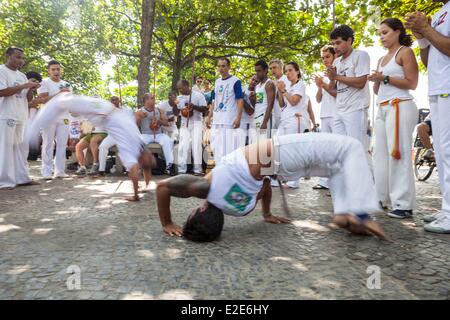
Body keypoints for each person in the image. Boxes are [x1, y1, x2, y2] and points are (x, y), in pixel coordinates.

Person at [156, 133, 388, 242]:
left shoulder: (240, 209)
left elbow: (264, 185)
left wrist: (265, 213)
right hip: (277, 153)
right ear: (202, 210)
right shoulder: (204, 187)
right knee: (351, 147)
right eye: (194, 211)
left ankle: (344, 213)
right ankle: (359, 214)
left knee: (337, 167)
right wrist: (167, 222)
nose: (196, 207)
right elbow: (163, 187)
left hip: (281, 169)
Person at [29, 93, 155, 201]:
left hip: (102, 113)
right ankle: (33, 129)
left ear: (141, 160)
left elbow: (135, 170)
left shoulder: (131, 151)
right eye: (151, 157)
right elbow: (146, 168)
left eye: (148, 159)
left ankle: (32, 130)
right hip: (104, 110)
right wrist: (144, 187)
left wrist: (136, 195)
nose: (150, 156)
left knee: (64, 102)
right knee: (63, 101)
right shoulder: (141, 146)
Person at [406, 0, 450, 233]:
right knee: (442, 152)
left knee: (449, 150)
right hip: (437, 88)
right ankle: (447, 209)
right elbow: (428, 60)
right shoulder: (441, 12)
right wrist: (422, 36)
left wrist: (428, 28)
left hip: (448, 88)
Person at [368, 18, 419, 219]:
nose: (381, 37)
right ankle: (381, 198)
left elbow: (412, 82)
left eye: (385, 32)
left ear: (397, 32)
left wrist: (385, 78)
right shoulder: (381, 59)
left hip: (401, 105)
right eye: (380, 33)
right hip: (382, 108)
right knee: (379, 154)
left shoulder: (405, 52)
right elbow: (379, 89)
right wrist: (376, 81)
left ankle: (403, 203)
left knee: (398, 153)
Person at [0, 47, 40, 189]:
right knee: (5, 148)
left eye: (22, 58)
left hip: (21, 115)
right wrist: (24, 85)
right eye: (17, 57)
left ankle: (22, 178)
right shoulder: (1, 71)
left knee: (20, 148)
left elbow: (27, 99)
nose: (21, 60)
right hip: (6, 115)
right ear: (8, 56)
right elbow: (2, 92)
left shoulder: (22, 75)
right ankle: (5, 181)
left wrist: (30, 89)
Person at [326, 25, 371, 150]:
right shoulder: (336, 62)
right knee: (340, 150)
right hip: (339, 110)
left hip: (356, 109)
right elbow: (332, 89)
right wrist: (331, 79)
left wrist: (336, 77)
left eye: (338, 43)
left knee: (356, 149)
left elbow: (361, 82)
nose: (335, 47)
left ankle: (364, 170)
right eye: (333, 43)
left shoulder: (361, 55)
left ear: (349, 40)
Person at [276, 61, 308, 189]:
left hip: (296, 120)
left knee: (293, 150)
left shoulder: (300, 85)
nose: (288, 73)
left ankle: (294, 181)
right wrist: (280, 91)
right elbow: (281, 104)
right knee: (280, 147)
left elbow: (294, 101)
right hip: (285, 119)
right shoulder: (288, 86)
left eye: (290, 70)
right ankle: (287, 177)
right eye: (286, 71)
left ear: (297, 72)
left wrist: (283, 90)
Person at [208, 58, 244, 164]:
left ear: (229, 67)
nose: (221, 68)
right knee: (215, 148)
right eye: (219, 66)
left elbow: (240, 99)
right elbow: (214, 101)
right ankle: (220, 171)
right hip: (216, 120)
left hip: (228, 121)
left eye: (223, 66)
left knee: (227, 150)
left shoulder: (235, 81)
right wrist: (209, 116)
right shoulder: (217, 82)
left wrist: (238, 117)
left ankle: (229, 173)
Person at [313, 45, 338, 190]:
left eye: (327, 56)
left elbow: (336, 93)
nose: (324, 60)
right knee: (325, 149)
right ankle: (324, 182)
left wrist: (324, 83)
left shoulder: (337, 72)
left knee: (335, 149)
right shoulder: (323, 75)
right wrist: (319, 86)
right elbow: (317, 99)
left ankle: (336, 182)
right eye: (322, 57)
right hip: (324, 115)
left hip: (336, 114)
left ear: (334, 56)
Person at [176, 80, 208, 175]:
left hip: (197, 123)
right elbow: (177, 111)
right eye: (178, 88)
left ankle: (197, 170)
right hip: (184, 123)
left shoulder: (198, 95)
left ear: (187, 86)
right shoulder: (179, 97)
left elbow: (205, 109)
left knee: (196, 146)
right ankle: (182, 170)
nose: (179, 90)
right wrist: (183, 111)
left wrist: (194, 107)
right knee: (183, 146)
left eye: (181, 88)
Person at [136, 93, 173, 175]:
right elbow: (135, 125)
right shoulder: (139, 111)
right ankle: (139, 166)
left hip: (158, 134)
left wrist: (159, 121)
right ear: (146, 100)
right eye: (152, 98)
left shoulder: (159, 110)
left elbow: (166, 123)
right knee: (138, 142)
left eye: (153, 98)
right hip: (146, 134)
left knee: (167, 140)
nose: (154, 100)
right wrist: (140, 117)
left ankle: (169, 166)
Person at [249, 60, 276, 144]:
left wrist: (265, 123)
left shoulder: (269, 84)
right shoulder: (257, 86)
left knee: (265, 147)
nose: (257, 73)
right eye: (256, 71)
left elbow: (270, 104)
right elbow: (257, 104)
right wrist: (251, 99)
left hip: (265, 119)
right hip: (256, 118)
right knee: (255, 146)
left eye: (259, 71)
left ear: (265, 70)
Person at [269, 59, 291, 129]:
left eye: (274, 67)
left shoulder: (288, 80)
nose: (272, 70)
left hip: (287, 118)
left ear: (281, 67)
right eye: (270, 68)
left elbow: (286, 100)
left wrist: (279, 89)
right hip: (276, 118)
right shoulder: (272, 82)